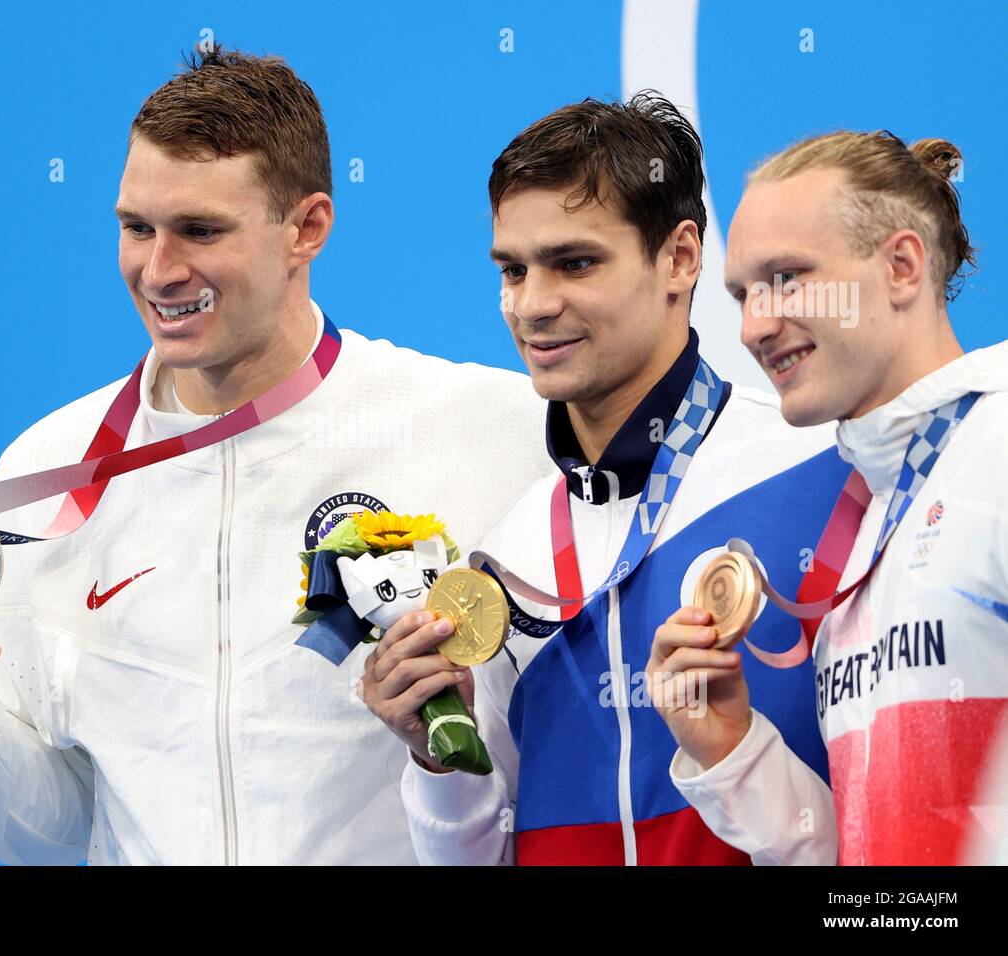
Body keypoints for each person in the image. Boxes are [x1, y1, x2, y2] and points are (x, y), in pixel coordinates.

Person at [0, 45, 552, 865]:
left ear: (306, 228)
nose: (159, 271)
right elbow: (58, 833)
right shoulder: (46, 477)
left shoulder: (496, 430)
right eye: (136, 228)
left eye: (200, 230)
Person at [362, 94, 853, 865]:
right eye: (513, 270)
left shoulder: (826, 473)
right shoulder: (504, 560)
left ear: (682, 258)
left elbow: (896, 839)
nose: (532, 304)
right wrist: (439, 756)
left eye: (575, 262)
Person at [651, 130, 1008, 865]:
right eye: (743, 294)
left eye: (786, 279)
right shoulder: (872, 521)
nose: (753, 326)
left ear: (902, 267)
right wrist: (732, 751)